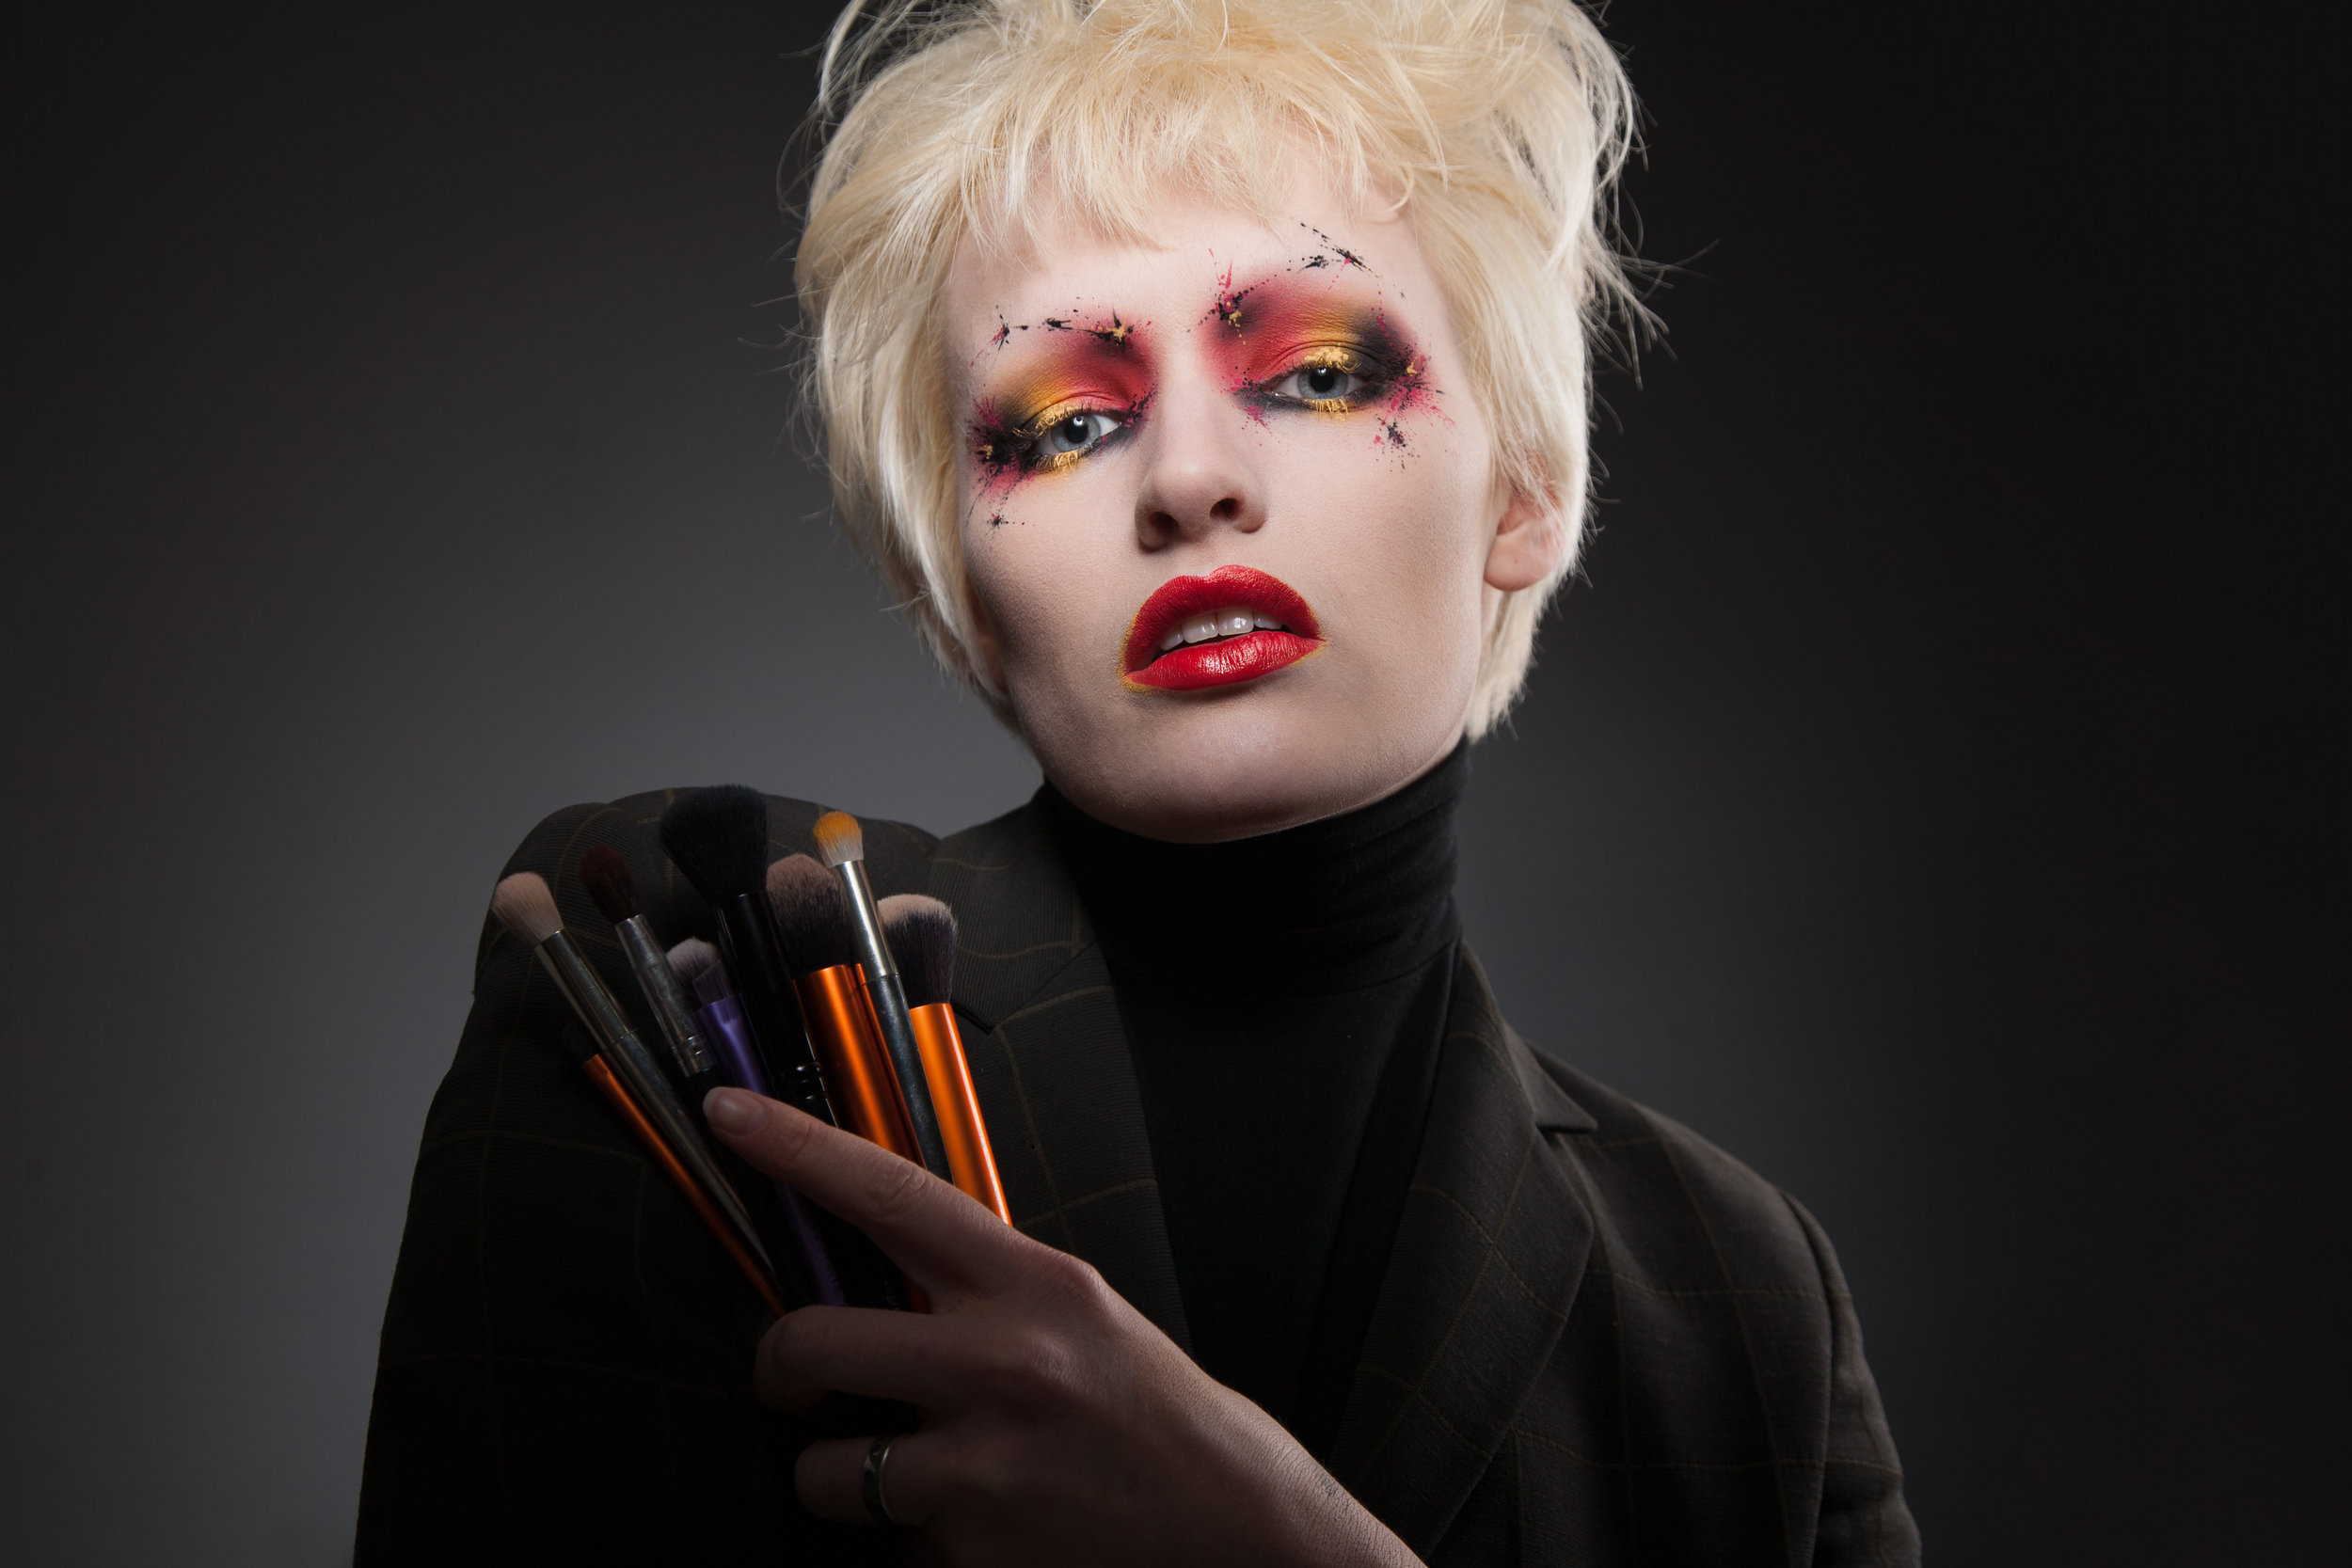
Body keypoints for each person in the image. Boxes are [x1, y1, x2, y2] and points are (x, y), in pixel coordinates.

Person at [357, 1, 1921, 1561]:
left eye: (1315, 373)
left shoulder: (1744, 1294)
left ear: (1526, 491)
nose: (1185, 479)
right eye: (1067, 424)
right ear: (966, 589)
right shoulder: (694, 975)